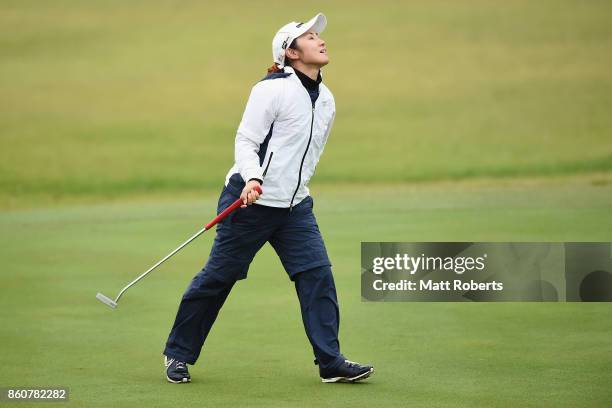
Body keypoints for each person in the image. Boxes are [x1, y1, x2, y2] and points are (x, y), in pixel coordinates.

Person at [162, 12, 374, 384]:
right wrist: (253, 177)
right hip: (249, 202)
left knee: (317, 275)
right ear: (290, 53)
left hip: (294, 207)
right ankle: (177, 354)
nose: (320, 40)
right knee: (219, 278)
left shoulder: (326, 98)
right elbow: (247, 140)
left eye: (317, 36)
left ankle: (330, 362)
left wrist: (297, 190)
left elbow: (309, 154)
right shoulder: (270, 90)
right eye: (309, 38)